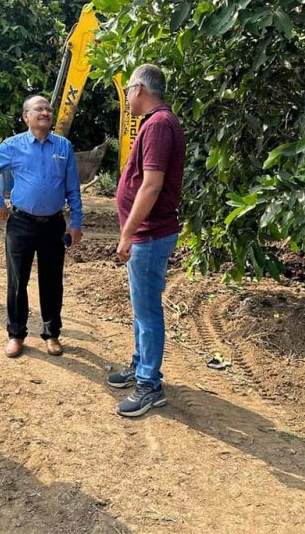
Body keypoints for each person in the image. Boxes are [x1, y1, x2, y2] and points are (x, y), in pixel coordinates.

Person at [0, 95, 83, 358]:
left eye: (48, 108)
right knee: (17, 281)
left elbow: (72, 188)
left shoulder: (64, 147)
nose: (45, 112)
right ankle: (16, 334)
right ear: (26, 116)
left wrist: (76, 222)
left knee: (52, 281)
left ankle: (51, 334)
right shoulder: (13, 146)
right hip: (21, 223)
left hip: (54, 225)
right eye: (39, 109)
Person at [106, 64, 186, 418]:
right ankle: (141, 365)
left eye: (127, 92)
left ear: (138, 89)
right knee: (141, 308)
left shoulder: (157, 125)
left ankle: (150, 385)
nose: (126, 98)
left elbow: (151, 184)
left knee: (148, 310)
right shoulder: (159, 123)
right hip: (147, 233)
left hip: (149, 234)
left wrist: (127, 234)